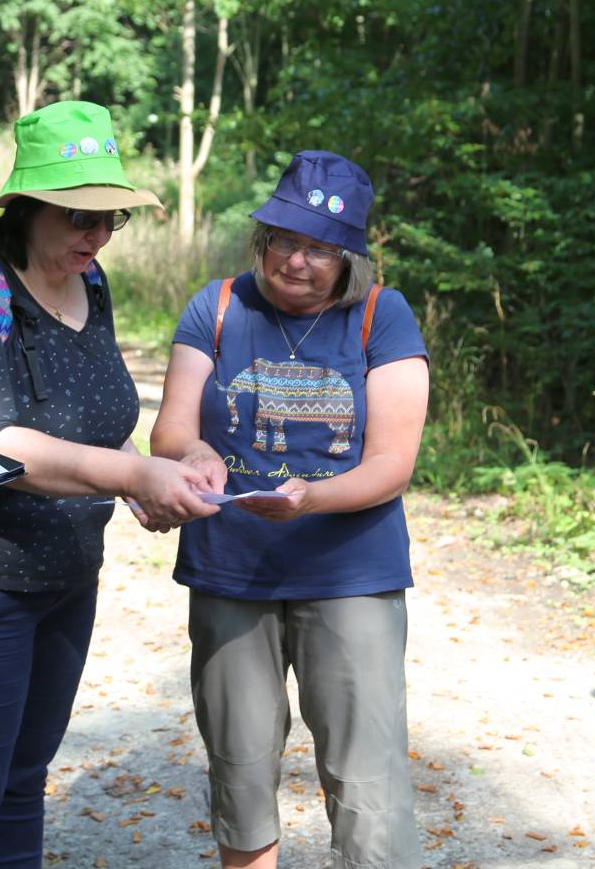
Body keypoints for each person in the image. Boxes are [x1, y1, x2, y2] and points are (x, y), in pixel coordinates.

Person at [0, 100, 215, 867]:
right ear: (29, 206)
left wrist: (150, 478)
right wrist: (133, 470)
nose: (96, 237)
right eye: (79, 217)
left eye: (111, 220)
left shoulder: (91, 286)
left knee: (23, 785)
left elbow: (94, 419)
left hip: (66, 579)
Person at [148, 149, 431, 869]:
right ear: (263, 238)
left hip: (350, 574)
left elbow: (391, 465)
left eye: (320, 248)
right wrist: (194, 455)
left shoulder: (382, 316)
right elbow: (173, 428)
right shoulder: (216, 307)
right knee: (239, 767)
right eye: (285, 239)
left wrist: (312, 500)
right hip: (229, 569)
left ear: (350, 260)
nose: (298, 260)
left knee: (367, 781)